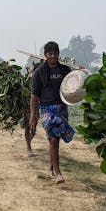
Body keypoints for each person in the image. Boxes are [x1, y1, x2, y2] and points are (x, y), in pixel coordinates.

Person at [29, 41, 74, 183]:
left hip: (62, 108)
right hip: (46, 110)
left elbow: (73, 84)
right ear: (45, 55)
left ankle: (51, 168)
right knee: (53, 140)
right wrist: (33, 116)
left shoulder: (65, 70)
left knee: (55, 141)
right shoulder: (39, 73)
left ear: (59, 54)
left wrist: (80, 72)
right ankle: (58, 173)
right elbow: (34, 96)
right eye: (50, 54)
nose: (53, 56)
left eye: (55, 53)